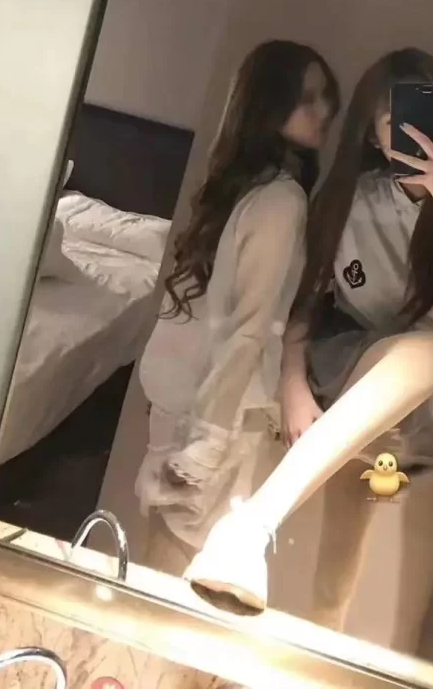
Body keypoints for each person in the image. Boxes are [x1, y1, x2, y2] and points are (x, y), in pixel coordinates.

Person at [182, 48, 433, 624]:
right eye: (393, 121)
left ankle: (251, 533)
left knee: (338, 575)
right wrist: (292, 384)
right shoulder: (353, 199)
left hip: (398, 411)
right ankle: (251, 526)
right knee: (429, 351)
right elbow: (305, 302)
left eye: (425, 114)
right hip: (333, 373)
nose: (411, 131)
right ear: (372, 135)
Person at [136, 40, 340, 573]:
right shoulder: (278, 199)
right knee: (173, 577)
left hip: (199, 413)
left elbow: (239, 327)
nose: (324, 111)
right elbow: (248, 330)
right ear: (270, 105)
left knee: (165, 568)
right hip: (215, 420)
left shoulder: (256, 192)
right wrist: (207, 445)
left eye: (326, 98)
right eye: (308, 98)